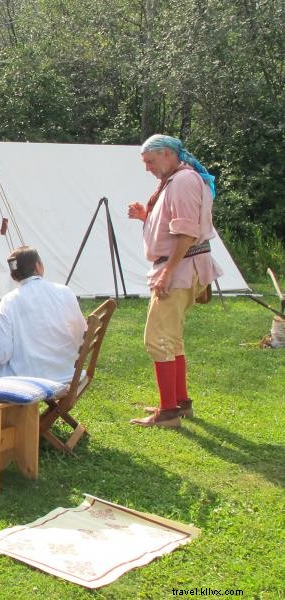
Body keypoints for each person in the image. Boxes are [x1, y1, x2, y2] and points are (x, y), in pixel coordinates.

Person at [127, 134, 222, 428]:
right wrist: (147, 217)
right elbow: (174, 227)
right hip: (183, 268)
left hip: (178, 271)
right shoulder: (181, 180)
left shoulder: (182, 181)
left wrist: (167, 273)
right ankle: (179, 402)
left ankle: (168, 412)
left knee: (157, 339)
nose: (148, 168)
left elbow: (187, 233)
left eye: (150, 161)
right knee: (173, 339)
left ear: (168, 154)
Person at [0, 246, 87, 386]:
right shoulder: (65, 292)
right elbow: (82, 335)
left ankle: (10, 407)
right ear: (38, 266)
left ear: (14, 275)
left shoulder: (10, 301)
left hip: (27, 380)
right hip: (68, 375)